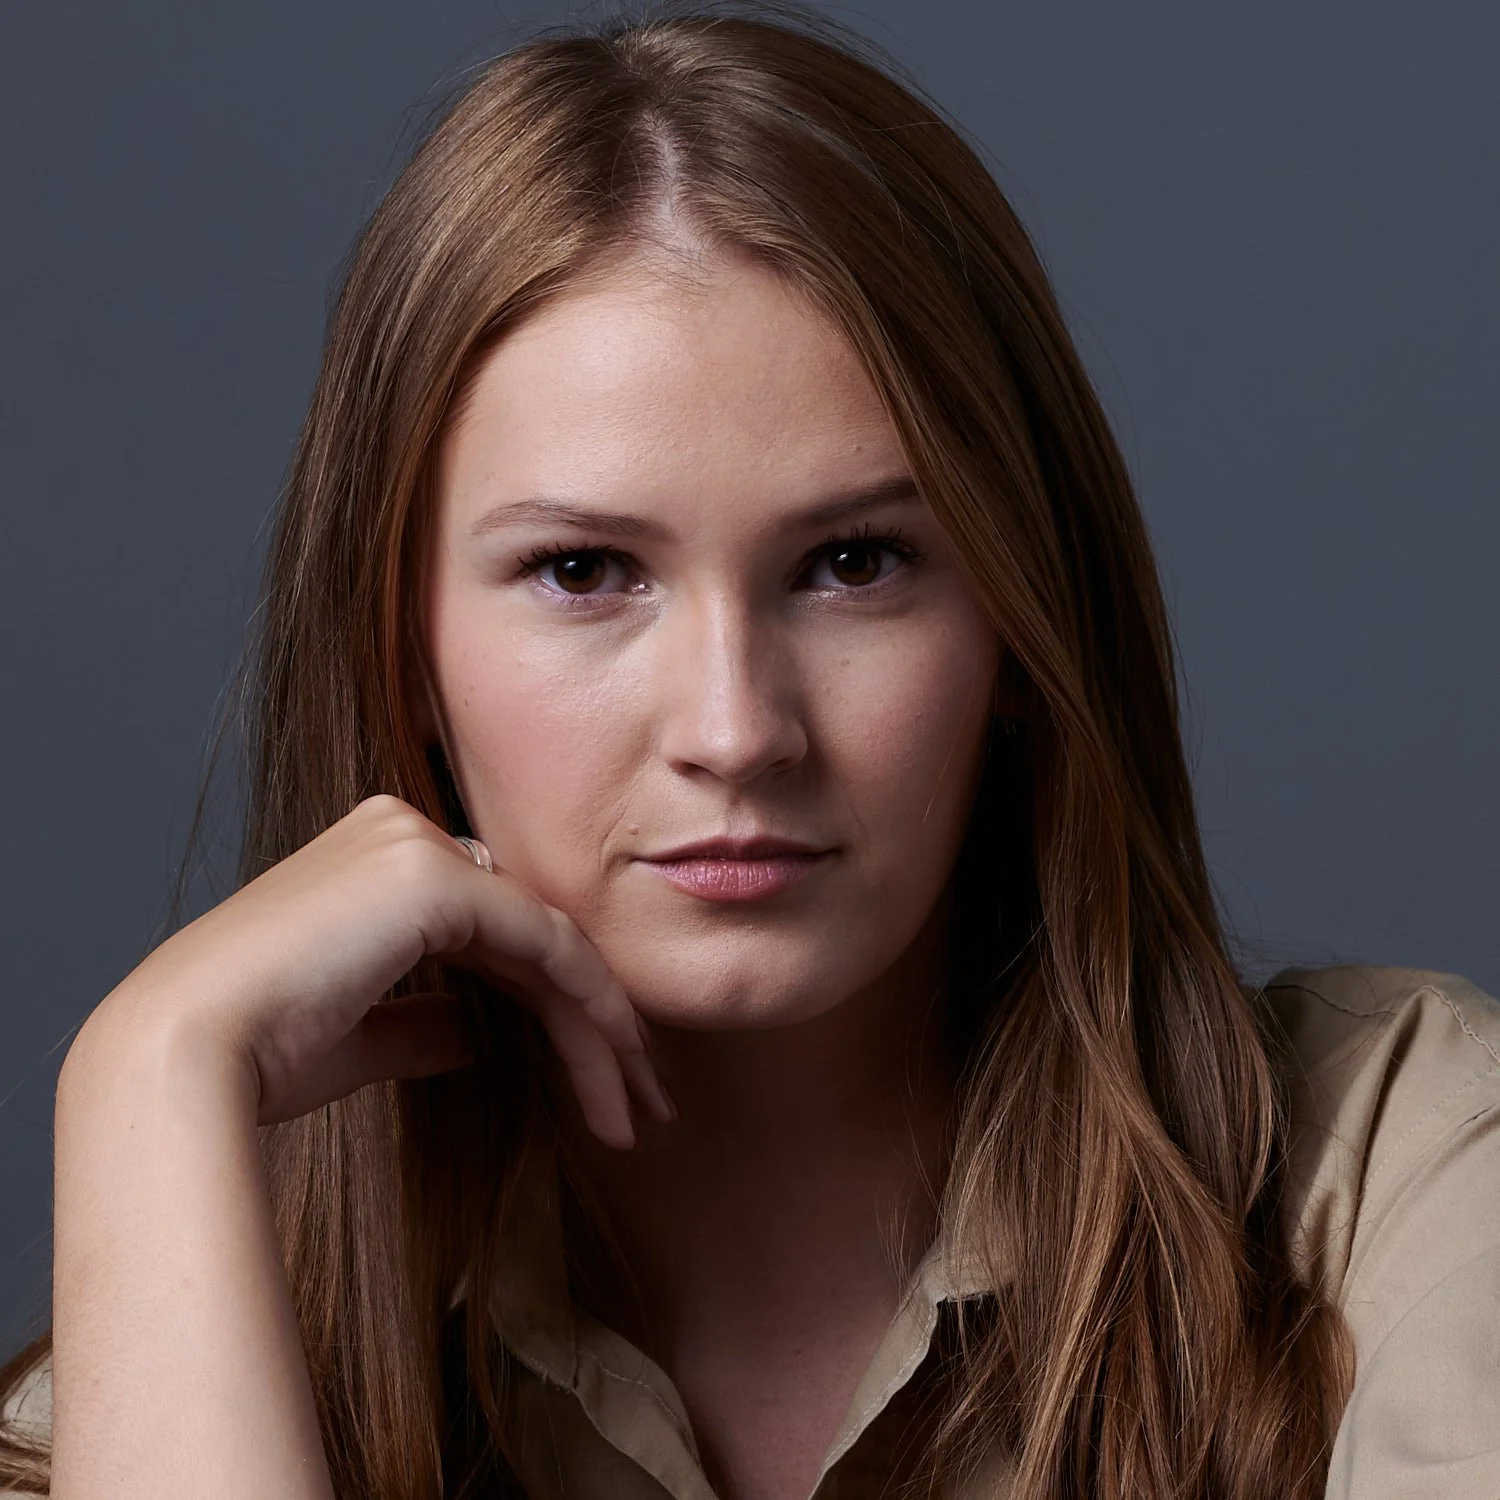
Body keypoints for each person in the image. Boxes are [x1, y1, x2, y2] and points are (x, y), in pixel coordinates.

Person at [3, 8, 1497, 1498]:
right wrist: (143, 1076)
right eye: (585, 572)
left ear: (1021, 629)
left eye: (854, 562)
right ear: (403, 650)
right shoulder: (181, 1357)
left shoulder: (1406, 1181)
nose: (734, 731)